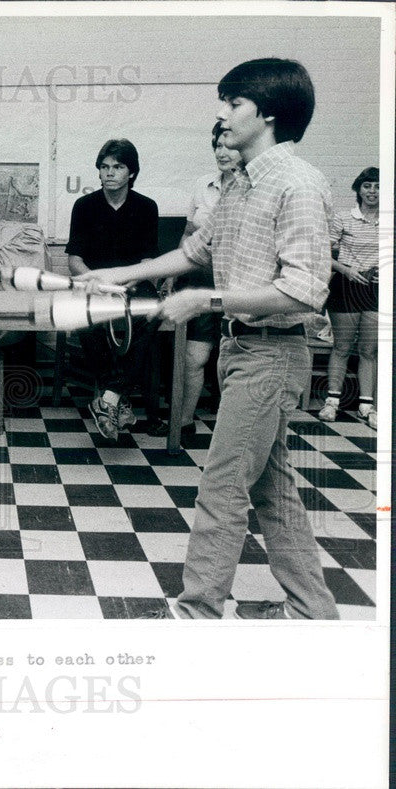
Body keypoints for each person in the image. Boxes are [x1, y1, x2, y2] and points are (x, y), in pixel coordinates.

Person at [76, 58, 339, 620]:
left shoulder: (298, 184)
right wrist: (119, 274)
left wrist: (206, 300)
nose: (222, 115)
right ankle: (311, 611)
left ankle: (196, 613)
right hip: (240, 349)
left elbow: (304, 292)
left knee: (222, 485)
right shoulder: (238, 183)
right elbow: (196, 251)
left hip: (272, 353)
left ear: (267, 114)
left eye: (233, 103)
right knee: (273, 490)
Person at [66, 138, 160, 441]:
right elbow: (74, 260)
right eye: (104, 167)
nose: (109, 173)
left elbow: (148, 259)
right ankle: (116, 395)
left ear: (131, 172)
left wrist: (128, 282)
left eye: (117, 167)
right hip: (96, 285)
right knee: (82, 315)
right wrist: (98, 283)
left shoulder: (146, 207)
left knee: (154, 312)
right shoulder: (84, 206)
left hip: (134, 284)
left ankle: (109, 396)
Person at [164, 123, 243, 439]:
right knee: (193, 357)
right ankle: (183, 421)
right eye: (217, 146)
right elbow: (188, 235)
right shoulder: (202, 185)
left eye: (230, 145)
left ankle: (233, 429)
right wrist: (172, 274)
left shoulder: (255, 189)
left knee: (231, 359)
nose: (223, 152)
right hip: (197, 281)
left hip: (237, 287)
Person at [317, 167, 379, 429]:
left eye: (377, 186)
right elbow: (324, 255)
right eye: (367, 186)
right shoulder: (343, 218)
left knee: (368, 350)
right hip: (346, 286)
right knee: (342, 347)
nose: (372, 191)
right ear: (358, 189)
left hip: (375, 289)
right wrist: (347, 270)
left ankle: (366, 406)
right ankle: (332, 402)